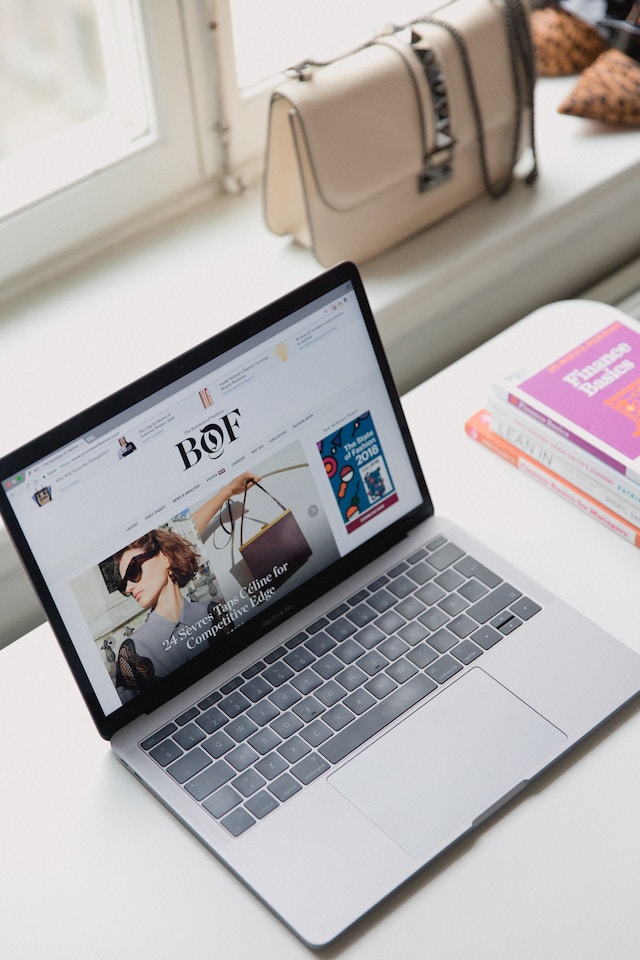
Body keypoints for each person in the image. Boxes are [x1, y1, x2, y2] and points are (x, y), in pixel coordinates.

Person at [113, 471, 260, 700]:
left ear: (164, 558)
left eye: (133, 571)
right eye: (123, 584)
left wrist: (228, 491)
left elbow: (185, 537)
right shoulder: (133, 652)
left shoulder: (213, 613)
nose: (129, 587)